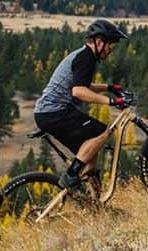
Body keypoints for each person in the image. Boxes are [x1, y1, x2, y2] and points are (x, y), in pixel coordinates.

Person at [33, 18, 131, 189]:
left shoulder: (85, 56)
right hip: (54, 113)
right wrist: (112, 101)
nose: (110, 50)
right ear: (99, 42)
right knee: (102, 132)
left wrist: (110, 87)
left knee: (90, 155)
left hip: (49, 113)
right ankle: (71, 175)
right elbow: (78, 91)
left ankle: (94, 204)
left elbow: (83, 84)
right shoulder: (85, 58)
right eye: (110, 45)